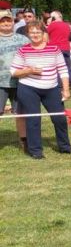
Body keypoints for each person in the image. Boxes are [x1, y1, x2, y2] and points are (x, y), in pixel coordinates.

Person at [9, 21, 71, 159]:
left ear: (43, 33)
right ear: (28, 34)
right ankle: (35, 150)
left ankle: (65, 147)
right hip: (28, 88)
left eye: (38, 32)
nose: (35, 35)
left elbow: (63, 70)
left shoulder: (54, 49)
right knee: (33, 119)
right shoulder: (23, 50)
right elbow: (13, 72)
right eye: (32, 32)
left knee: (59, 118)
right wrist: (29, 70)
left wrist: (66, 89)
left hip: (51, 88)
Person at [0, 11, 29, 150]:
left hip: (21, 82)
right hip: (1, 83)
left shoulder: (23, 39)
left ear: (13, 22)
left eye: (8, 21)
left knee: (21, 113)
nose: (6, 23)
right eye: (2, 21)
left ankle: (24, 141)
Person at [45, 11, 71, 91]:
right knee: (67, 67)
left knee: (57, 68)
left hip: (55, 48)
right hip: (66, 48)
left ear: (54, 17)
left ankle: (59, 86)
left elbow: (45, 35)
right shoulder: (67, 26)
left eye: (51, 17)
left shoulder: (52, 25)